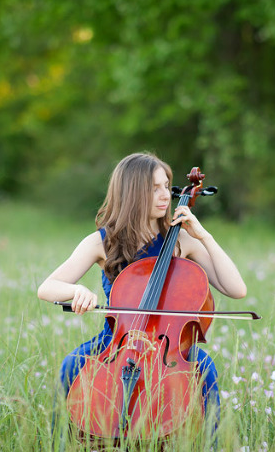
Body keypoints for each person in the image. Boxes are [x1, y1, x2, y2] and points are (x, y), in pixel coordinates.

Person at [37, 152, 247, 435]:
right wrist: (76, 290)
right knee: (71, 366)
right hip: (115, 343)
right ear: (133, 193)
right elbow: (47, 287)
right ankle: (61, 441)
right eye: (155, 188)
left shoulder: (180, 241)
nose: (165, 196)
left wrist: (204, 236)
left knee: (205, 369)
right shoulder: (103, 241)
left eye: (166, 186)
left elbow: (236, 289)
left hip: (169, 348)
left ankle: (211, 444)